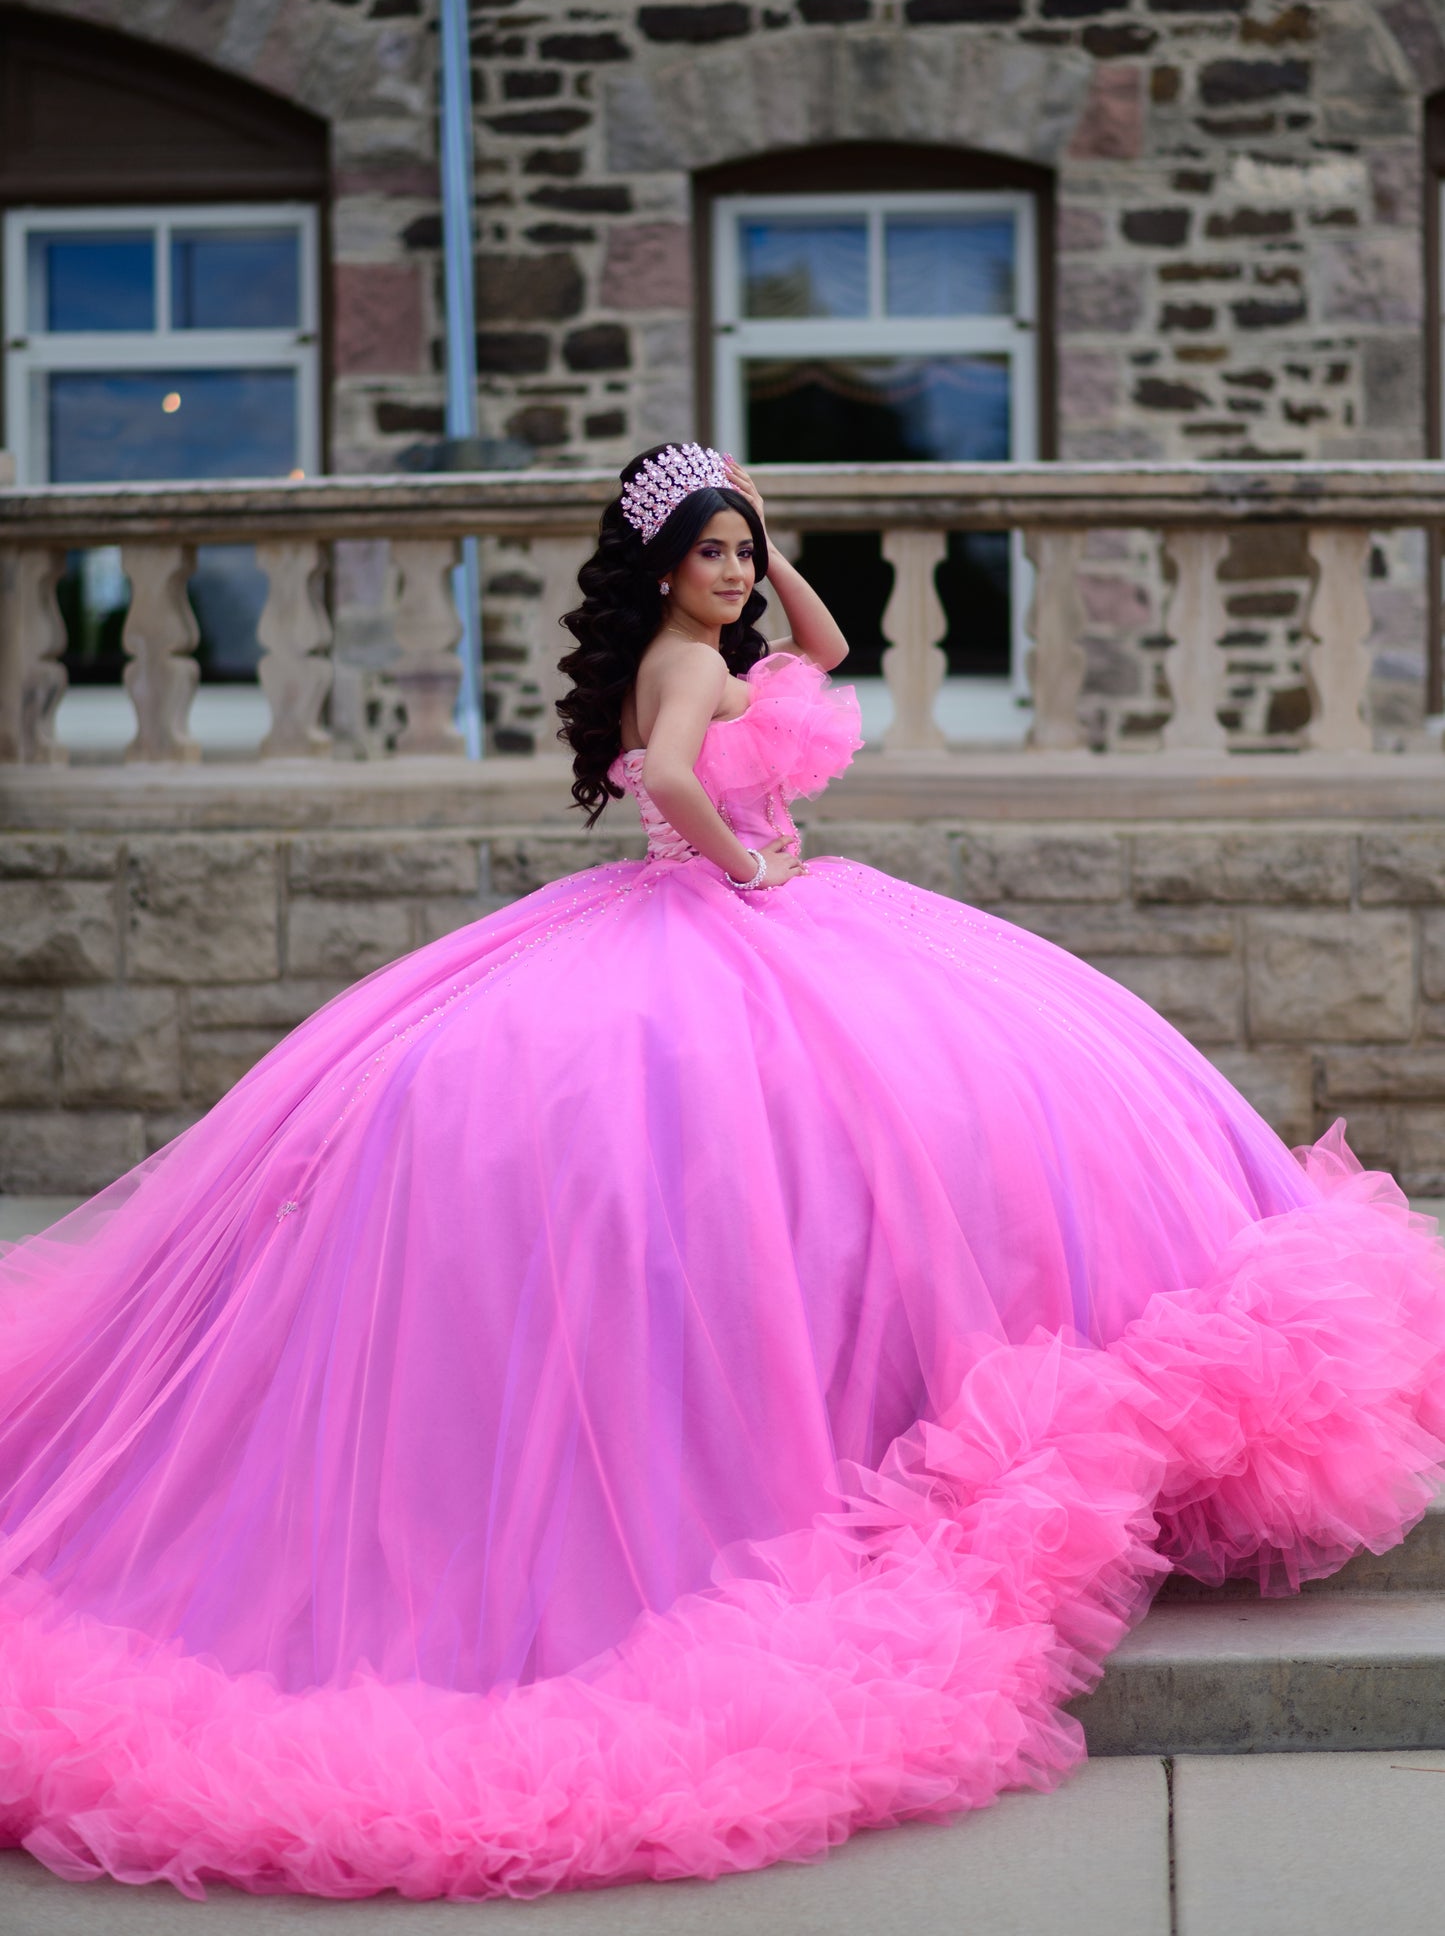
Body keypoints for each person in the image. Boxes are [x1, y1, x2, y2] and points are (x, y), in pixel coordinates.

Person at [2, 441, 1444, 1903]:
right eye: (712, 554)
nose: (737, 575)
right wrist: (744, 868)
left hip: (738, 905)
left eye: (742, 550)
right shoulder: (684, 669)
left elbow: (821, 647)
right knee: (772, 1153)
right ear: (662, 568)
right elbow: (683, 775)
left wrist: (769, 544)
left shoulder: (712, 635)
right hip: (717, 911)